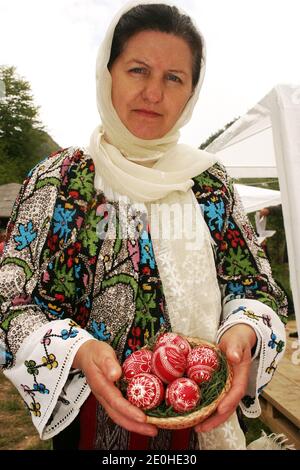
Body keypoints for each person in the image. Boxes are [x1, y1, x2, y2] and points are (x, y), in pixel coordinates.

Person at [0, 0, 288, 451]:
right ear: (107, 71)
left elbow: (254, 284)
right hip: (91, 425)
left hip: (204, 417)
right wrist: (78, 350)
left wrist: (243, 329)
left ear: (191, 91)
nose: (154, 93)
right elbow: (7, 291)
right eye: (138, 70)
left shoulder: (209, 183)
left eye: (174, 78)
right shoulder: (58, 180)